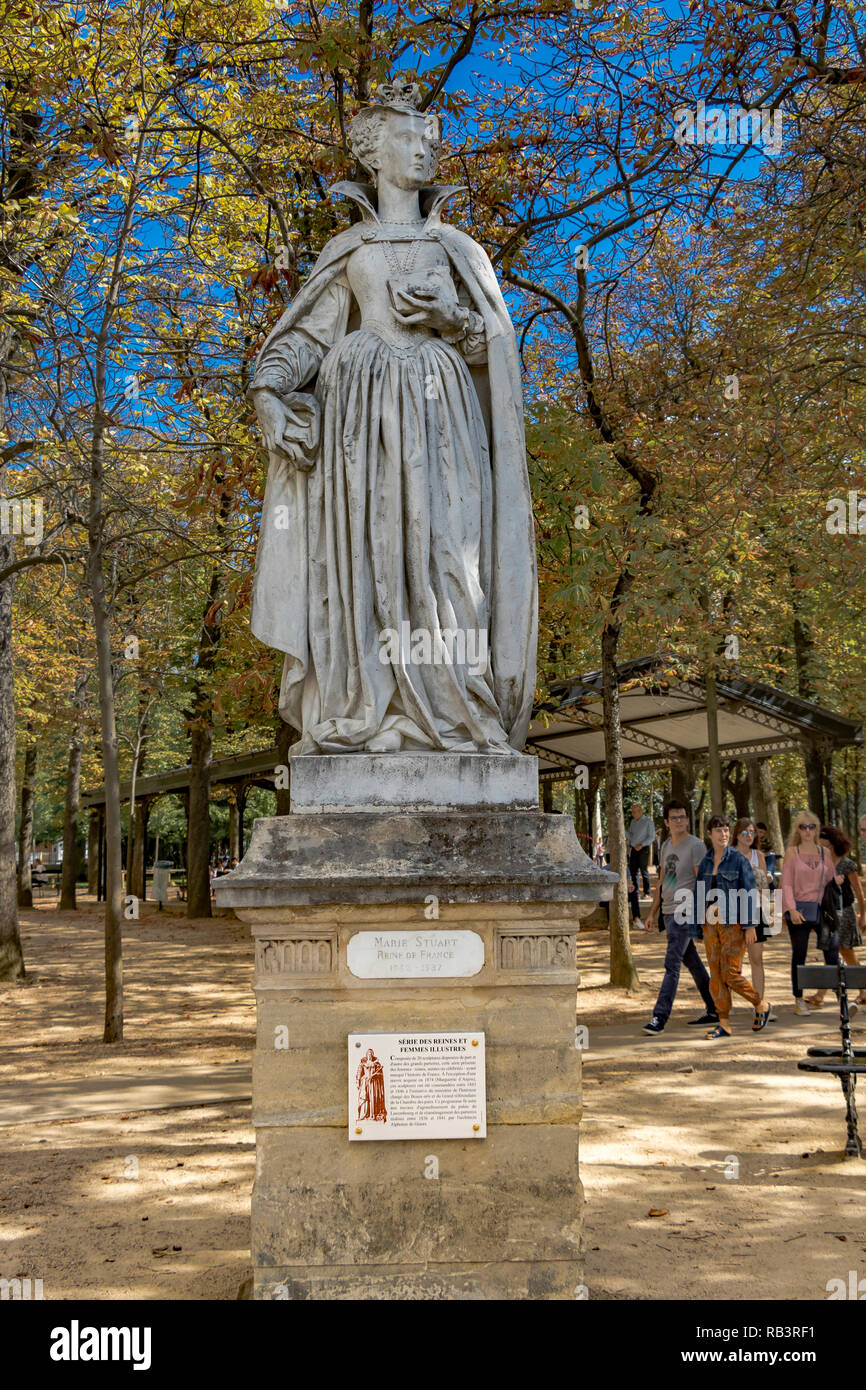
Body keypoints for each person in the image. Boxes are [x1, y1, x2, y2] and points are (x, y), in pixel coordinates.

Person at [641, 800, 717, 1035]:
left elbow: (702, 881)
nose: (679, 821)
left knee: (671, 964)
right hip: (669, 911)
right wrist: (653, 911)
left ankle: (659, 1017)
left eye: (683, 817)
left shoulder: (695, 846)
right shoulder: (665, 846)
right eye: (674, 818)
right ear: (666, 822)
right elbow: (664, 880)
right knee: (691, 962)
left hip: (686, 911)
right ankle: (715, 1008)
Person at [696, 816, 769, 1039]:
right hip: (710, 925)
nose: (723, 834)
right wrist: (697, 928)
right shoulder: (707, 861)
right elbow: (699, 893)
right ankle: (724, 1024)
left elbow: (748, 892)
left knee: (730, 973)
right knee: (716, 975)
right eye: (718, 830)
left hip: (733, 924)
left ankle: (760, 1003)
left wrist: (749, 926)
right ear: (709, 834)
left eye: (726, 830)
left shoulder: (738, 859)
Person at [780, 810, 838, 1015]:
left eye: (811, 826)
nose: (807, 830)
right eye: (802, 826)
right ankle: (799, 999)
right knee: (799, 954)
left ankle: (841, 996)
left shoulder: (825, 853)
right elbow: (785, 882)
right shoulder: (792, 852)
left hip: (822, 909)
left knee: (831, 949)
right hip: (800, 909)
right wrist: (791, 909)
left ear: (816, 829)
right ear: (797, 829)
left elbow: (831, 879)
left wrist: (839, 881)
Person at [803, 826, 866, 1012]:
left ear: (834, 843)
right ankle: (823, 995)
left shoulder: (847, 865)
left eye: (826, 843)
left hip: (845, 914)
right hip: (828, 914)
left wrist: (863, 916)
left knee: (846, 953)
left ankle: (858, 990)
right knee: (832, 953)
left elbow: (859, 894)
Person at [731, 817, 777, 1029]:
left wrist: (761, 894)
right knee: (733, 963)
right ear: (737, 834)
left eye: (752, 832)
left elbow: (767, 890)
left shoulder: (759, 856)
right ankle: (726, 1007)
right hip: (733, 913)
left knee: (756, 959)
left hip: (755, 913)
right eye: (745, 832)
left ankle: (760, 1004)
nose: (749, 836)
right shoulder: (729, 854)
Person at [627, 803, 654, 896]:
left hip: (643, 849)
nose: (632, 814)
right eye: (632, 812)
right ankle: (635, 892)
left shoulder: (648, 822)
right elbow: (631, 835)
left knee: (644, 871)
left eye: (634, 812)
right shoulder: (633, 822)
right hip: (634, 849)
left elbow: (652, 837)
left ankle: (647, 893)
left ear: (640, 811)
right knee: (633, 871)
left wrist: (642, 845)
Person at [755, 822, 776, 886]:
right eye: (760, 832)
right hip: (756, 859)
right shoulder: (751, 839)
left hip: (766, 858)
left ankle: (769, 873)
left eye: (763, 833)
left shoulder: (765, 840)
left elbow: (771, 849)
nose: (762, 834)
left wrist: (768, 853)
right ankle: (771, 887)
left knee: (772, 856)